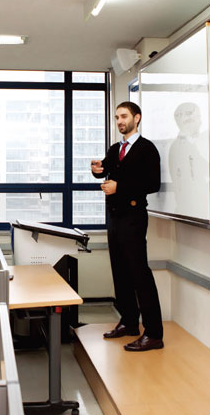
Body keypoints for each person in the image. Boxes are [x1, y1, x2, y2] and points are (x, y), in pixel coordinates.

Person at [91, 101, 164, 352]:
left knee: (139, 273)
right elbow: (105, 170)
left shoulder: (147, 149)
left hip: (134, 216)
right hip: (115, 217)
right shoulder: (115, 148)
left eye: (124, 116)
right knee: (120, 271)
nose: (120, 121)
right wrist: (96, 170)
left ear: (137, 118)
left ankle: (153, 333)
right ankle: (130, 322)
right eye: (117, 117)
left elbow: (153, 183)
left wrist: (119, 187)